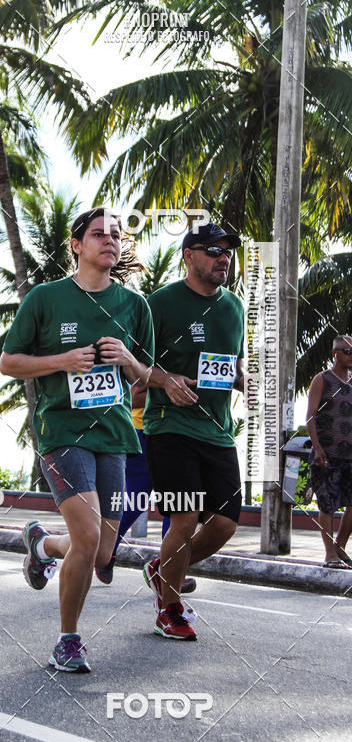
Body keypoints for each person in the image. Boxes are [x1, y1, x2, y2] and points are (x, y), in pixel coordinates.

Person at [0, 208, 155, 673]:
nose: (109, 241)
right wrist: (61, 361)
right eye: (98, 234)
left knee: (102, 551)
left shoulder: (135, 306)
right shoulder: (47, 298)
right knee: (87, 537)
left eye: (116, 235)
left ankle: (43, 544)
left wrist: (127, 359)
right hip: (62, 433)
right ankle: (67, 640)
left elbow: (146, 377)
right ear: (76, 244)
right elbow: (9, 362)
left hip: (114, 435)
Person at [142, 222, 244, 641]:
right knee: (184, 517)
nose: (223, 258)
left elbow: (231, 364)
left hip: (218, 431)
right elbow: (133, 365)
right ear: (188, 256)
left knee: (225, 524)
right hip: (169, 426)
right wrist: (165, 379)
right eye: (213, 250)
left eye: (227, 252)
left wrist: (245, 381)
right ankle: (169, 609)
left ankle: (161, 570)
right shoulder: (159, 303)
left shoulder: (234, 307)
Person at [95, 382, 196, 598]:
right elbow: (133, 396)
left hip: (179, 433)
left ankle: (168, 569)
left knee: (176, 503)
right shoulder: (155, 362)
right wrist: (172, 393)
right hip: (143, 431)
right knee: (138, 499)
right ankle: (106, 550)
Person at [306, 335, 352, 569]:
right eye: (348, 351)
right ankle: (329, 554)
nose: (351, 356)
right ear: (335, 353)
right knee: (327, 504)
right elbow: (310, 417)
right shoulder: (322, 379)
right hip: (326, 454)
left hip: (350, 456)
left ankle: (340, 547)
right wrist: (317, 447)